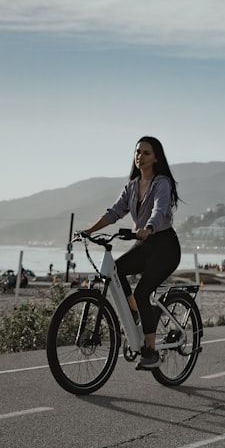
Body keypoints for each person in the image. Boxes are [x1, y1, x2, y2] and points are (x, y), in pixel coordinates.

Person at [81, 136, 182, 370]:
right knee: (116, 271)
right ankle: (137, 314)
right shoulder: (132, 186)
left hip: (165, 246)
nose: (140, 156)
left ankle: (150, 350)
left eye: (146, 153)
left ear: (156, 157)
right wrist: (89, 231)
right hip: (144, 245)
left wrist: (148, 228)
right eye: (137, 152)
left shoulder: (162, 183)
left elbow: (160, 209)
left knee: (143, 291)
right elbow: (115, 212)